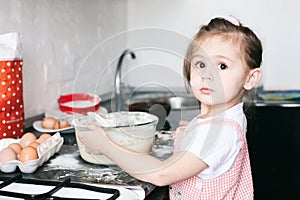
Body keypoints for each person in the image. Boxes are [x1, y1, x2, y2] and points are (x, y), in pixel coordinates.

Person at [77, 16, 263, 199]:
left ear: (250, 78)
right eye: (200, 64)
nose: (207, 74)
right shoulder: (226, 117)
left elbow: (161, 174)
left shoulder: (220, 132)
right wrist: (189, 129)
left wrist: (104, 145)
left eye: (222, 66)